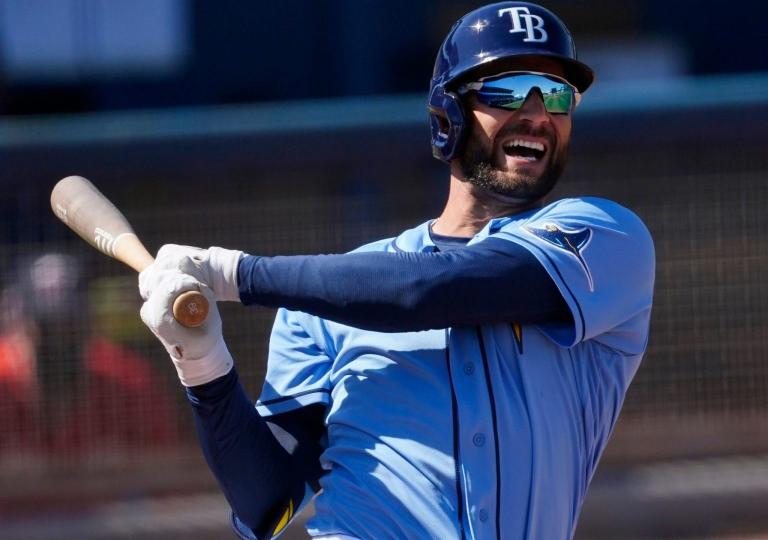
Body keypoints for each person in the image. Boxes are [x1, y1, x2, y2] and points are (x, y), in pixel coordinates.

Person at [137, 3, 655, 539]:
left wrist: (233, 274)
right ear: (446, 116)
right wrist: (202, 361)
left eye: (555, 94)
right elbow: (268, 502)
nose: (537, 113)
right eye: (506, 89)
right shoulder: (327, 305)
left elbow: (422, 291)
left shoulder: (605, 239)